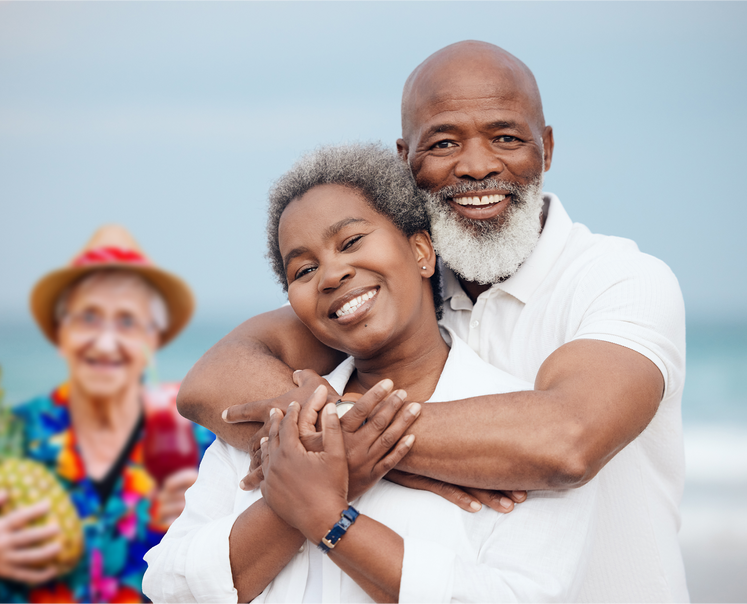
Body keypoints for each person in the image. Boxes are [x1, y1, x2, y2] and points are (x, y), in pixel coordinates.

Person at [177, 41, 688, 602]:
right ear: (405, 160)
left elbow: (568, 440)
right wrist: (343, 452)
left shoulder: (620, 279)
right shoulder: (395, 286)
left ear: (545, 147)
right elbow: (215, 381)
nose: (476, 165)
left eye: (507, 137)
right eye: (443, 142)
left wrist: (343, 443)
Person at [144, 143, 601, 604]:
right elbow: (167, 585)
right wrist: (296, 500)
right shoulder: (275, 421)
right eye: (303, 269)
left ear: (422, 251)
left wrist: (328, 516)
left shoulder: (515, 436)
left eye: (351, 242)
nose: (330, 274)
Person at [0, 225, 215, 604]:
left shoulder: (200, 445)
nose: (105, 341)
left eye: (128, 322)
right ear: (60, 334)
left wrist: (208, 520)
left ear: (152, 339)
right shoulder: (11, 436)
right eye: (88, 318)